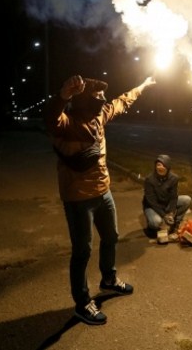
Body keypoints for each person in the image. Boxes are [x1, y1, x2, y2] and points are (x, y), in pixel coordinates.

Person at [44, 74, 156, 325]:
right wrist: (63, 95)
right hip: (78, 198)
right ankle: (82, 304)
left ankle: (108, 279)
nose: (103, 99)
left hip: (103, 192)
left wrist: (144, 85)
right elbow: (50, 118)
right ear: (84, 100)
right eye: (97, 96)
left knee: (112, 237)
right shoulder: (68, 123)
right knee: (82, 251)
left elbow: (122, 101)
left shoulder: (100, 115)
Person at [142, 154, 191, 241]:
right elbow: (151, 201)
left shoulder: (174, 178)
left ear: (168, 167)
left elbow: (173, 197)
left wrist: (171, 213)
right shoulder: (149, 179)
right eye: (158, 165)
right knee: (156, 222)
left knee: (186, 200)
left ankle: (175, 224)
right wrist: (164, 215)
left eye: (163, 165)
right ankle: (150, 228)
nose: (160, 168)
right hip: (152, 206)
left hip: (166, 203)